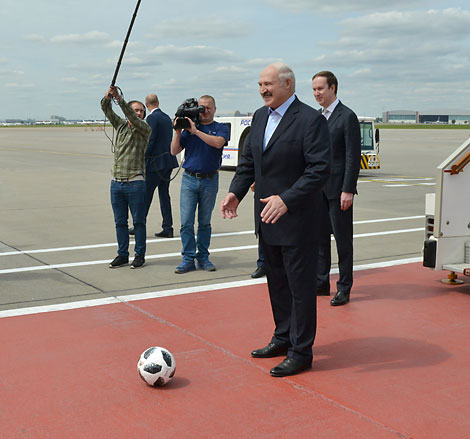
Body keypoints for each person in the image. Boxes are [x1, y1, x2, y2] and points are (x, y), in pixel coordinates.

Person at [220, 63, 330, 377]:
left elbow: (319, 170)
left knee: (300, 289)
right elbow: (249, 163)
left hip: (298, 222)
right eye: (259, 85)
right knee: (277, 285)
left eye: (268, 84)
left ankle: (301, 351)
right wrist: (235, 193)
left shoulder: (310, 120)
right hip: (267, 220)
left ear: (287, 84)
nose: (263, 90)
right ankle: (283, 337)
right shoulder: (259, 117)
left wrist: (287, 199)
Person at [312, 71, 361, 306]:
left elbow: (353, 155)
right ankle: (321, 282)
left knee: (343, 241)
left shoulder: (347, 116)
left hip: (338, 190)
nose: (316, 93)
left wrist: (348, 189)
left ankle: (344, 286)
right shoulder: (316, 117)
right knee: (320, 239)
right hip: (317, 190)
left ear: (333, 88)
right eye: (314, 89)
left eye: (320, 88)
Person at [171, 95, 229, 274]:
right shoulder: (189, 129)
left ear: (215, 108)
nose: (205, 110)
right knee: (186, 222)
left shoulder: (220, 127)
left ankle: (203, 256)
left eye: (209, 107)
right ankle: (188, 258)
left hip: (210, 180)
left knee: (204, 222)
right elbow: (174, 150)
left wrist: (196, 131)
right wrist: (179, 131)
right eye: (202, 107)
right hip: (189, 179)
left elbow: (218, 143)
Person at [101, 86, 151, 269]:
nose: (138, 113)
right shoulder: (120, 126)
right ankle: (122, 254)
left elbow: (130, 116)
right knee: (120, 222)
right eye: (136, 109)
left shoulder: (143, 128)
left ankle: (140, 255)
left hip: (135, 183)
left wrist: (120, 99)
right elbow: (106, 109)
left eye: (141, 111)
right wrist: (107, 98)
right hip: (117, 183)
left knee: (138, 222)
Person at [142, 93, 178, 238]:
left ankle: (140, 224)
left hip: (155, 163)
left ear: (146, 105)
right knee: (164, 195)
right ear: (158, 102)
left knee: (146, 195)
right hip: (168, 162)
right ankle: (168, 226)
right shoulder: (165, 117)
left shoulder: (151, 118)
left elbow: (150, 140)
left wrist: (144, 157)